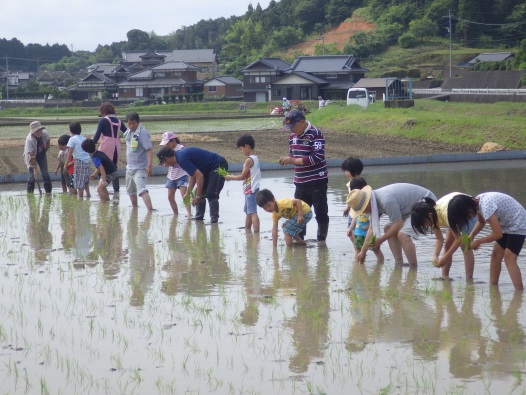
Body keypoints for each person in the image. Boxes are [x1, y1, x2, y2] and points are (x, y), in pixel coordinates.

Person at [447, 193, 526, 290]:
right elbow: (481, 222)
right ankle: (493, 289)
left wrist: (478, 241)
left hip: (518, 223)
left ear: (468, 209)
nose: (470, 218)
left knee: (509, 259)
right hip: (506, 225)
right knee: (495, 256)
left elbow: (497, 234)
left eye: (468, 216)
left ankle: (519, 293)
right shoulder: (477, 203)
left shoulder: (486, 206)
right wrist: (472, 236)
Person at [347, 182, 436, 265]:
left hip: (426, 204)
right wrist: (363, 252)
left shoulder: (386, 201)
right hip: (409, 209)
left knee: (403, 234)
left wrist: (380, 240)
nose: (363, 212)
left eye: (362, 210)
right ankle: (399, 263)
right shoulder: (374, 202)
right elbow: (371, 228)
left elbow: (398, 224)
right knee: (388, 229)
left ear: (367, 204)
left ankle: (413, 268)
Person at [279, 109, 329, 242]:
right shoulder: (292, 137)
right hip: (300, 181)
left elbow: (317, 157)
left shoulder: (316, 134)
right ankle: (300, 238)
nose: (291, 130)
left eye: (293, 127)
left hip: (317, 180)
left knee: (321, 211)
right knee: (299, 212)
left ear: (302, 122)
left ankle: (321, 240)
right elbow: (292, 154)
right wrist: (287, 159)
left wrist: (293, 161)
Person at [410, 192, 476, 281]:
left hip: (466, 210)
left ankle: (469, 279)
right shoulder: (432, 217)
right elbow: (439, 238)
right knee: (448, 244)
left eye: (424, 223)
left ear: (429, 215)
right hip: (452, 214)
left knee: (465, 246)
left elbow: (459, 239)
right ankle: (445, 277)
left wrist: (445, 257)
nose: (426, 225)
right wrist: (435, 255)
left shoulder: (442, 215)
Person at [157, 146, 228, 223]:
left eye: (164, 163)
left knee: (211, 193)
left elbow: (199, 176)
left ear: (167, 159)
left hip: (218, 165)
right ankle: (199, 219)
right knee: (200, 193)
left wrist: (198, 196)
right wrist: (188, 193)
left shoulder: (182, 159)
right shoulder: (179, 158)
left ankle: (214, 222)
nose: (166, 165)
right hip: (207, 169)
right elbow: (193, 175)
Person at [225, 134, 261, 233]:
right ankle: (248, 232)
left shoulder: (248, 160)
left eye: (241, 149)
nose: (242, 151)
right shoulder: (255, 158)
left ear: (247, 146)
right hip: (254, 189)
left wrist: (230, 177)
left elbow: (242, 177)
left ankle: (256, 234)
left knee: (253, 213)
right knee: (248, 212)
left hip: (251, 190)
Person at [347, 177, 384, 264]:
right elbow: (355, 218)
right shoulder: (357, 205)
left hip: (370, 234)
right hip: (359, 233)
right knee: (358, 251)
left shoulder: (372, 205)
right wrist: (350, 229)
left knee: (376, 250)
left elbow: (374, 224)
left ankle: (380, 266)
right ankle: (358, 267)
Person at [93, 102, 127, 193]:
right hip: (116, 146)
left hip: (106, 145)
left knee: (102, 166)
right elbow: (127, 133)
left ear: (104, 111)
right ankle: (116, 190)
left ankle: (102, 186)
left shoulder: (103, 120)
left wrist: (91, 145)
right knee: (114, 167)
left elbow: (97, 134)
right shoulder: (119, 121)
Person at [124, 112, 153, 211]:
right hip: (129, 168)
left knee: (142, 190)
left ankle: (150, 211)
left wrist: (149, 166)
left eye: (133, 123)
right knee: (131, 192)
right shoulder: (128, 132)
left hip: (140, 168)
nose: (131, 126)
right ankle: (134, 210)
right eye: (129, 123)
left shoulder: (142, 133)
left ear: (138, 122)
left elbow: (149, 149)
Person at [159, 131, 191, 217]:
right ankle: (175, 214)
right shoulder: (167, 150)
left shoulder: (181, 149)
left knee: (184, 195)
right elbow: (166, 163)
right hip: (171, 176)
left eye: (167, 143)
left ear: (173, 140)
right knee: (170, 197)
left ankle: (189, 213)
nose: (166, 145)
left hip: (182, 175)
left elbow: (185, 161)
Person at [81, 138, 118, 203]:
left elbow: (101, 168)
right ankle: (107, 201)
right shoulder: (99, 152)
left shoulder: (95, 158)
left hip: (109, 173)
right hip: (113, 171)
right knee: (102, 187)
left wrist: (103, 180)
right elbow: (100, 167)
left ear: (86, 151)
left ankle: (103, 203)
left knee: (100, 188)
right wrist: (94, 174)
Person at [24, 121, 52, 194]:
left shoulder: (45, 134)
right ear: (33, 132)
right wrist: (35, 170)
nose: (38, 133)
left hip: (41, 154)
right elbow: (31, 156)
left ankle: (48, 193)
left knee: (45, 173)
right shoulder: (29, 140)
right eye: (36, 131)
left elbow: (48, 143)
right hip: (31, 156)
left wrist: (43, 152)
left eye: (39, 130)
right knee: (32, 176)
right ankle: (30, 195)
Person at [65, 122, 91, 198]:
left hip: (80, 161)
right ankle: (88, 195)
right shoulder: (83, 138)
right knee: (85, 179)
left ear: (71, 131)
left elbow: (69, 153)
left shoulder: (72, 139)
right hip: (87, 161)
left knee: (80, 181)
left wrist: (66, 164)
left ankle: (80, 198)